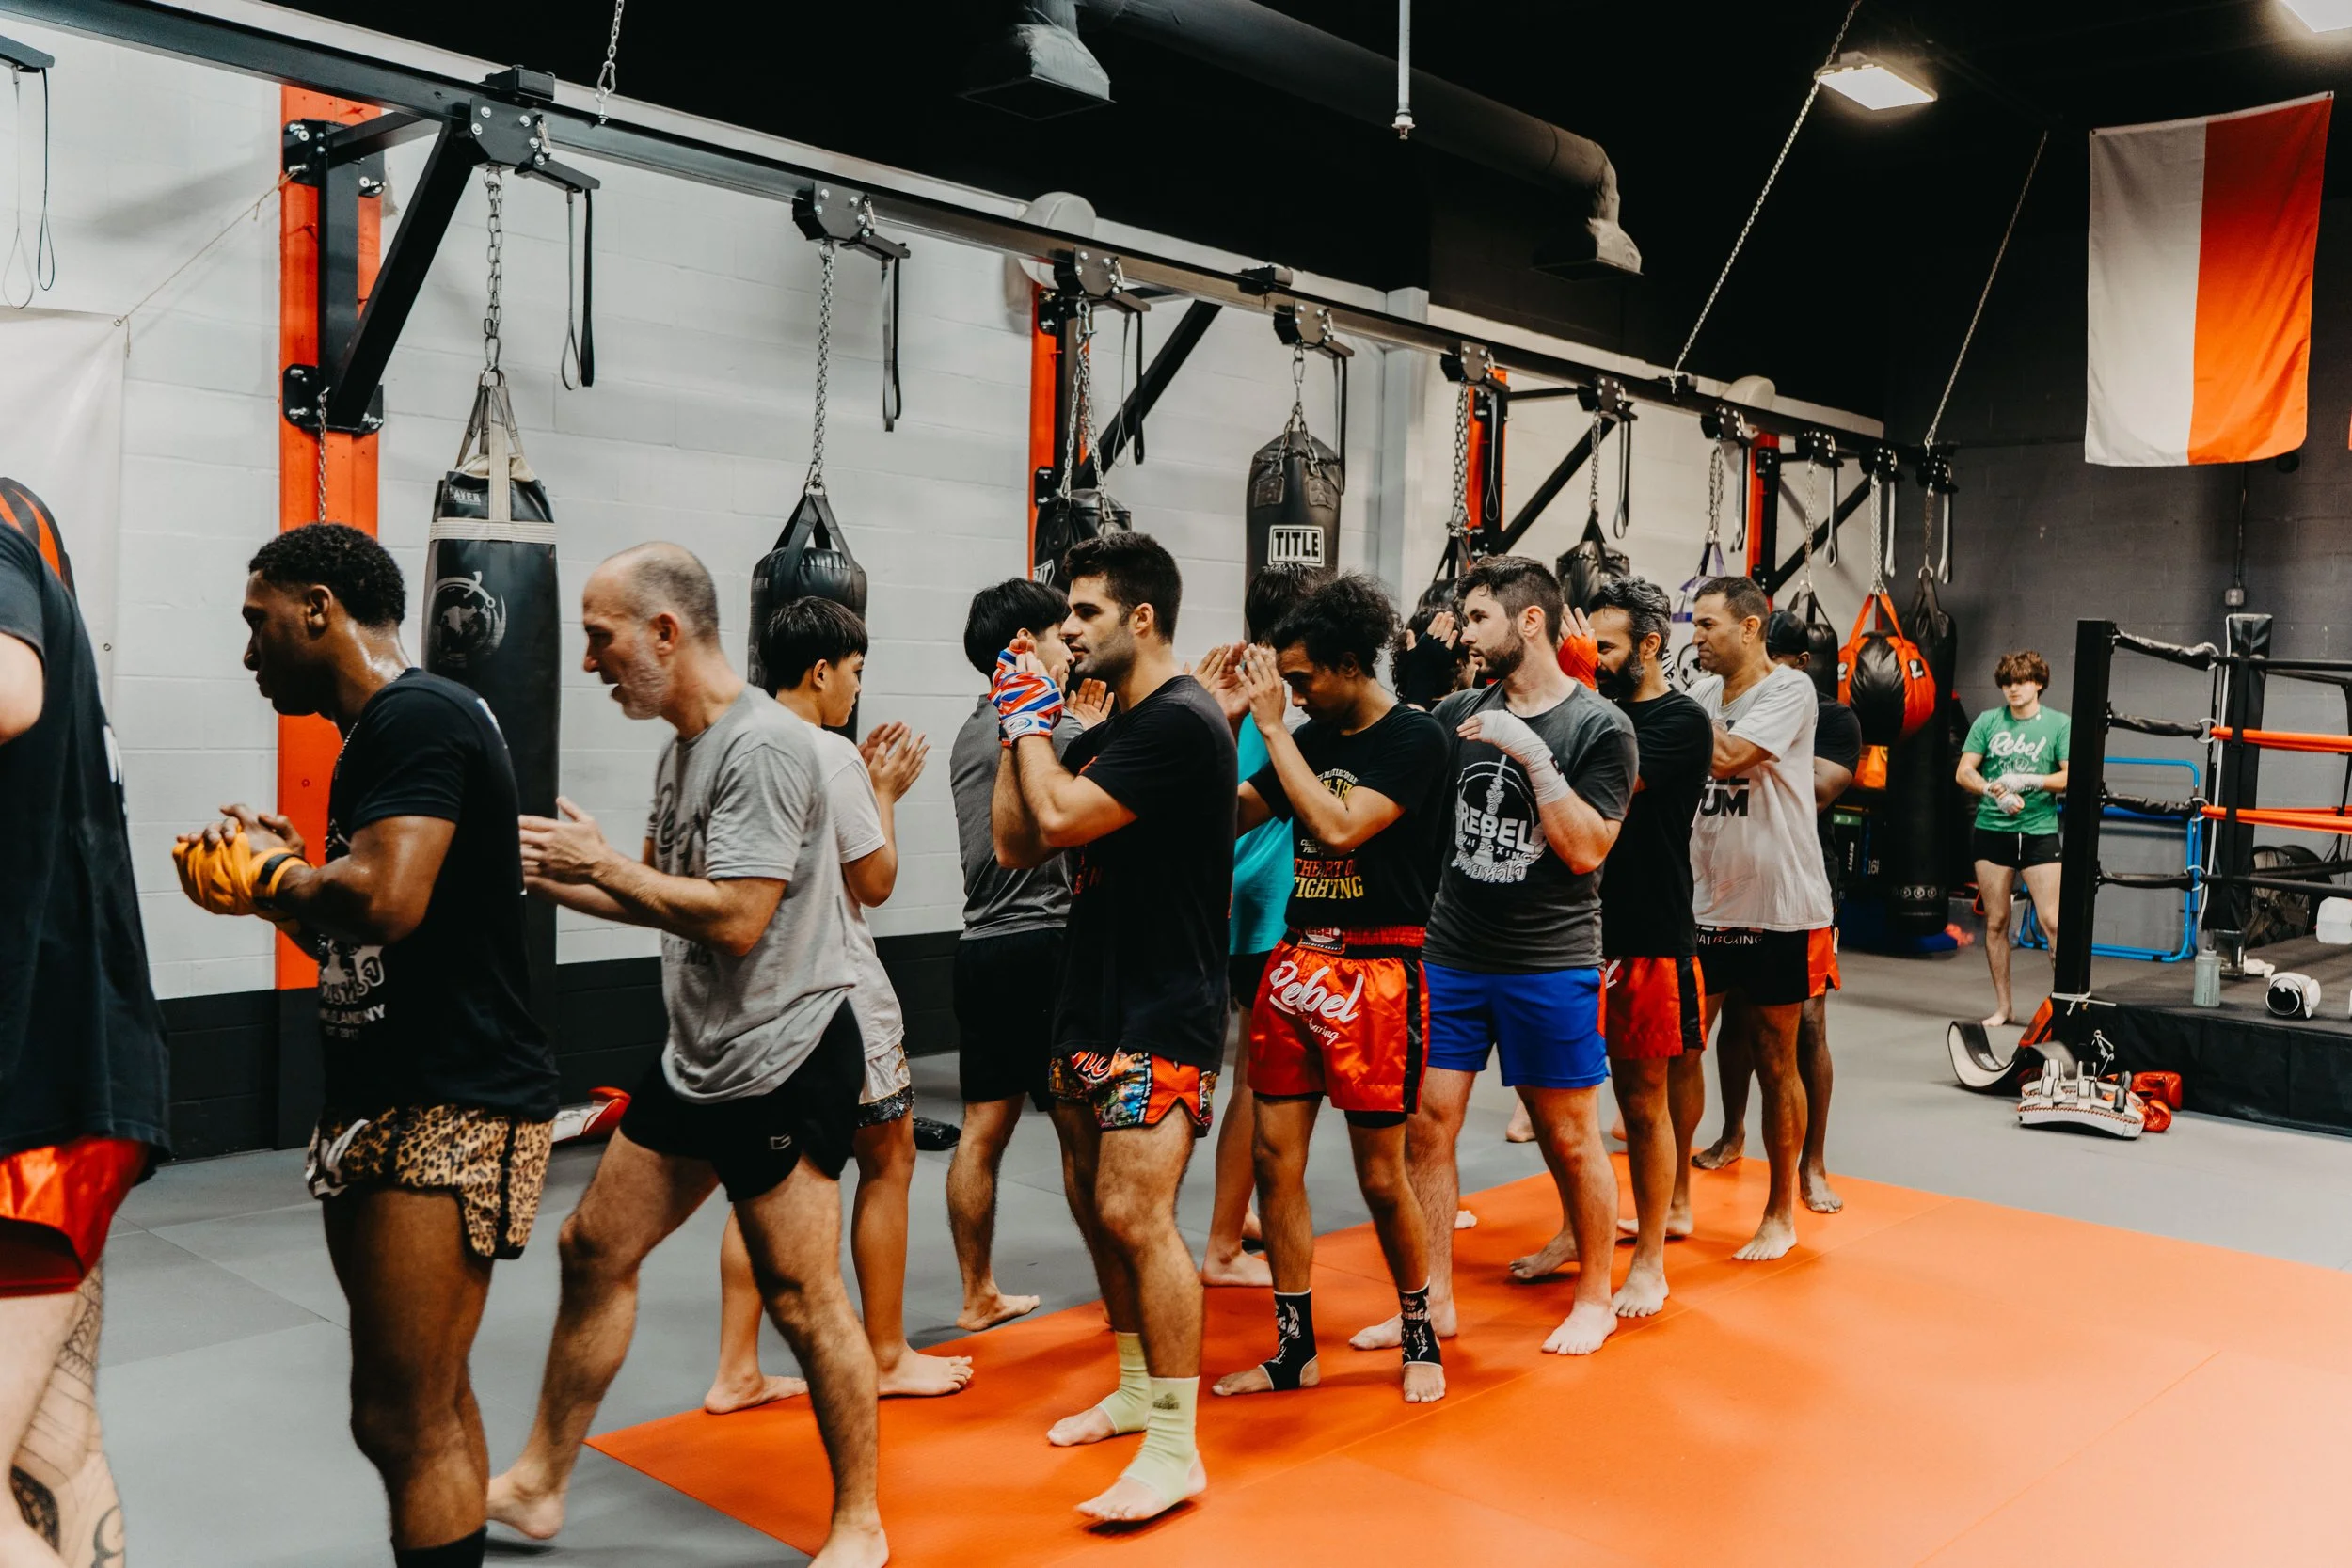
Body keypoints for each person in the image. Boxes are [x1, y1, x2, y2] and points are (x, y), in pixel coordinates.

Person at [486, 544, 882, 1568]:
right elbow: (658, 897)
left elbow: (739, 919)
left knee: (802, 1298)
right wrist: (531, 870)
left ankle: (859, 1520)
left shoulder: (765, 747)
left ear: (665, 632)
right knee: (592, 1248)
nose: (589, 663)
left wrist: (604, 863)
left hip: (786, 1054)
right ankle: (538, 1483)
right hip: (700, 1054)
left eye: (600, 638)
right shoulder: (683, 751)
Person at [173, 522, 560, 1568]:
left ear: (317, 608)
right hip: (394, 1095)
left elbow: (385, 899)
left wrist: (277, 876)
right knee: (430, 1394)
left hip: (450, 1098)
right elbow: (365, 929)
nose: (249, 652)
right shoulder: (382, 732)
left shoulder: (415, 713)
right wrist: (287, 886)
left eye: (258, 622)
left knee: (399, 1413)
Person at [992, 531, 1234, 1522]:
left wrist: (1033, 722)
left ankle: (1176, 1446)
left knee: (1138, 1212)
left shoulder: (1181, 722)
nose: (1069, 629)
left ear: (1141, 616)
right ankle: (1136, 1387)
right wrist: (1018, 725)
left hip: (1164, 1003)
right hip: (1089, 995)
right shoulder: (1115, 729)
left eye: (1085, 611)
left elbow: (1056, 821)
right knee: (1096, 1206)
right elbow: (1016, 840)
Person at [1349, 555, 1635, 1360]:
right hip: (1452, 951)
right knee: (1426, 1124)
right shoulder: (1459, 711)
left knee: (1569, 1134)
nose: (1467, 634)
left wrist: (1533, 758)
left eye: (1479, 618)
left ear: (1530, 620)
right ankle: (1432, 1299)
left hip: (1549, 958)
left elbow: (1587, 850)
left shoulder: (1599, 727)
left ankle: (1596, 1298)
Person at [703, 596, 971, 1413]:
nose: (857, 687)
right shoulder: (830, 753)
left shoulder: (728, 745)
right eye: (855, 671)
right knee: (890, 1156)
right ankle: (885, 1352)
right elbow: (875, 880)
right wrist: (883, 790)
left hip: (754, 993)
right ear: (820, 671)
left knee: (765, 1174)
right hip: (840, 988)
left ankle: (736, 1368)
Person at [1205, 574, 1452, 1404]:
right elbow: (1229, 818)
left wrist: (1276, 729)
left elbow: (1340, 827)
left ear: (1351, 665)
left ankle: (1420, 1331)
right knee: (1275, 1161)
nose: (1297, 694)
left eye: (1304, 678)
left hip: (1377, 969)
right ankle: (1295, 1348)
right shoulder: (1306, 735)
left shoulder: (1415, 738)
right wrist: (1227, 725)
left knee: (1381, 1175)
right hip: (1295, 961)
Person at [2, 512, 167, 1568]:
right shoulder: (30, 542)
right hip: (71, 1079)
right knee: (53, 1452)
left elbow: (7, 691)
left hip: (32, 1105)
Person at [1509, 576, 1710, 1320]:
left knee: (1642, 1101)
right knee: (1550, 1100)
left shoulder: (1680, 721)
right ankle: (1575, 1228)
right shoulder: (1582, 706)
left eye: (1606, 646)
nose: (1590, 656)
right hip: (1564, 933)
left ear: (1649, 646)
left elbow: (1607, 782)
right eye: (1585, 644)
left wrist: (1578, 683)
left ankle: (1650, 1258)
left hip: (1646, 932)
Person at [1682, 577, 1836, 1262]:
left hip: (1779, 904)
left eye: (1707, 625)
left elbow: (1728, 758)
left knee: (1778, 1058)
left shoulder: (1789, 690)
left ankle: (1779, 1212)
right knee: (1680, 1051)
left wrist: (1663, 706)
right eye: (1693, 624)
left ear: (1750, 628)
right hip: (1706, 901)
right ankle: (1675, 1200)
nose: (1696, 637)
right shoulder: (1701, 696)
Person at [944, 578, 1083, 1334]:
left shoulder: (968, 733)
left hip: (981, 947)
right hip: (1051, 944)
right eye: (1064, 633)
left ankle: (977, 1295)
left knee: (981, 1129)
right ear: (1026, 644)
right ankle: (1123, 1294)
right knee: (1080, 1131)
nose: (1074, 647)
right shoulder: (1051, 725)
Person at [1196, 562, 1319, 1289]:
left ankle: (1235, 1213)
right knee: (1255, 1081)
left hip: (1232, 902)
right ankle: (1219, 1247)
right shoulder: (1282, 703)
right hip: (1267, 908)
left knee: (1244, 1072)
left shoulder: (1228, 688)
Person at [1959, 650, 2071, 1029]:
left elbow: (2070, 776)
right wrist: (1992, 791)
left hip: (2039, 832)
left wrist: (2031, 780)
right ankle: (2004, 1008)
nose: (2013, 689)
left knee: (2053, 922)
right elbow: (1964, 771)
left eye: (2021, 682)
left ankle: (2065, 1009)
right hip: (1993, 831)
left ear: (2038, 683)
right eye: (2007, 683)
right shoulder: (1988, 721)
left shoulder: (2059, 724)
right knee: (1996, 922)